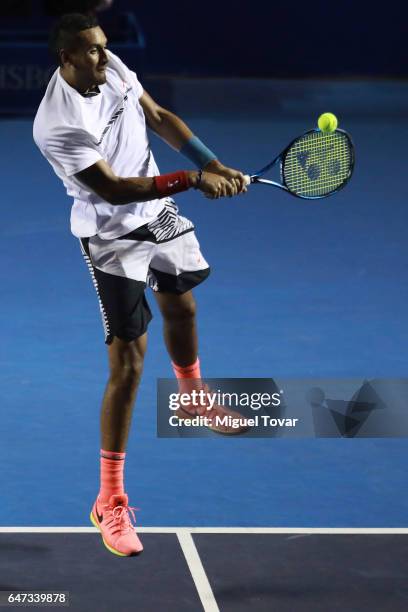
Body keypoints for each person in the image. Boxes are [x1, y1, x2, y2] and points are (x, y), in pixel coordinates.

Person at [33, 12, 248, 558]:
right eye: (92, 51)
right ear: (66, 59)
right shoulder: (57, 123)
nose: (104, 57)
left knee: (184, 307)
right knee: (129, 363)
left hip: (161, 211)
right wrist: (196, 180)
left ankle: (192, 397)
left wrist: (213, 162)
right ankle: (109, 499)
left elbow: (158, 115)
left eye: (105, 47)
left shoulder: (113, 68)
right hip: (111, 233)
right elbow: (113, 189)